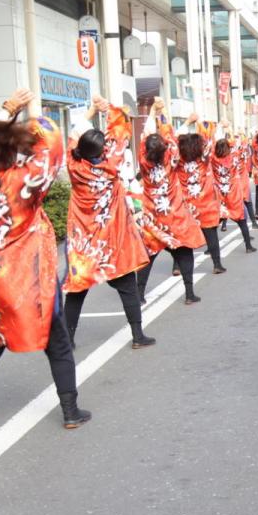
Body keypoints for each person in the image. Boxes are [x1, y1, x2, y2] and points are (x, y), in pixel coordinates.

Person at [0, 88, 90, 432]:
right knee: (57, 342)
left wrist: (6, 110)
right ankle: (71, 410)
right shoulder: (25, 179)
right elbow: (52, 143)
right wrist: (32, 112)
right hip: (25, 276)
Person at [62, 96, 154, 350]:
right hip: (112, 240)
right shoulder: (111, 164)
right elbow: (122, 129)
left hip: (85, 242)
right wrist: (109, 109)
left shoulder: (74, 167)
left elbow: (73, 136)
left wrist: (91, 112)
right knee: (127, 287)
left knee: (78, 289)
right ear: (102, 151)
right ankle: (137, 335)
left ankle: (68, 338)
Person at [135, 119, 205, 306]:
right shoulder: (171, 159)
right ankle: (189, 293)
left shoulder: (143, 163)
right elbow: (174, 138)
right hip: (176, 218)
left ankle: (139, 294)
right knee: (185, 254)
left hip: (154, 220)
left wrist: (152, 113)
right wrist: (184, 121)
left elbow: (144, 138)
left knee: (148, 257)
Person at [175, 122, 226, 273]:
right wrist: (203, 125)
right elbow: (211, 140)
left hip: (186, 204)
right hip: (206, 204)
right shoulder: (204, 159)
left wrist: (186, 123)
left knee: (182, 237)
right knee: (211, 235)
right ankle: (217, 264)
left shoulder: (179, 161)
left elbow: (172, 140)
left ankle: (177, 266)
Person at [212, 136, 258, 254]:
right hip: (233, 195)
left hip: (220, 195)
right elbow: (243, 157)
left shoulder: (213, 159)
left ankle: (209, 248)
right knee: (242, 221)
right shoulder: (233, 158)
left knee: (214, 225)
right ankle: (248, 246)